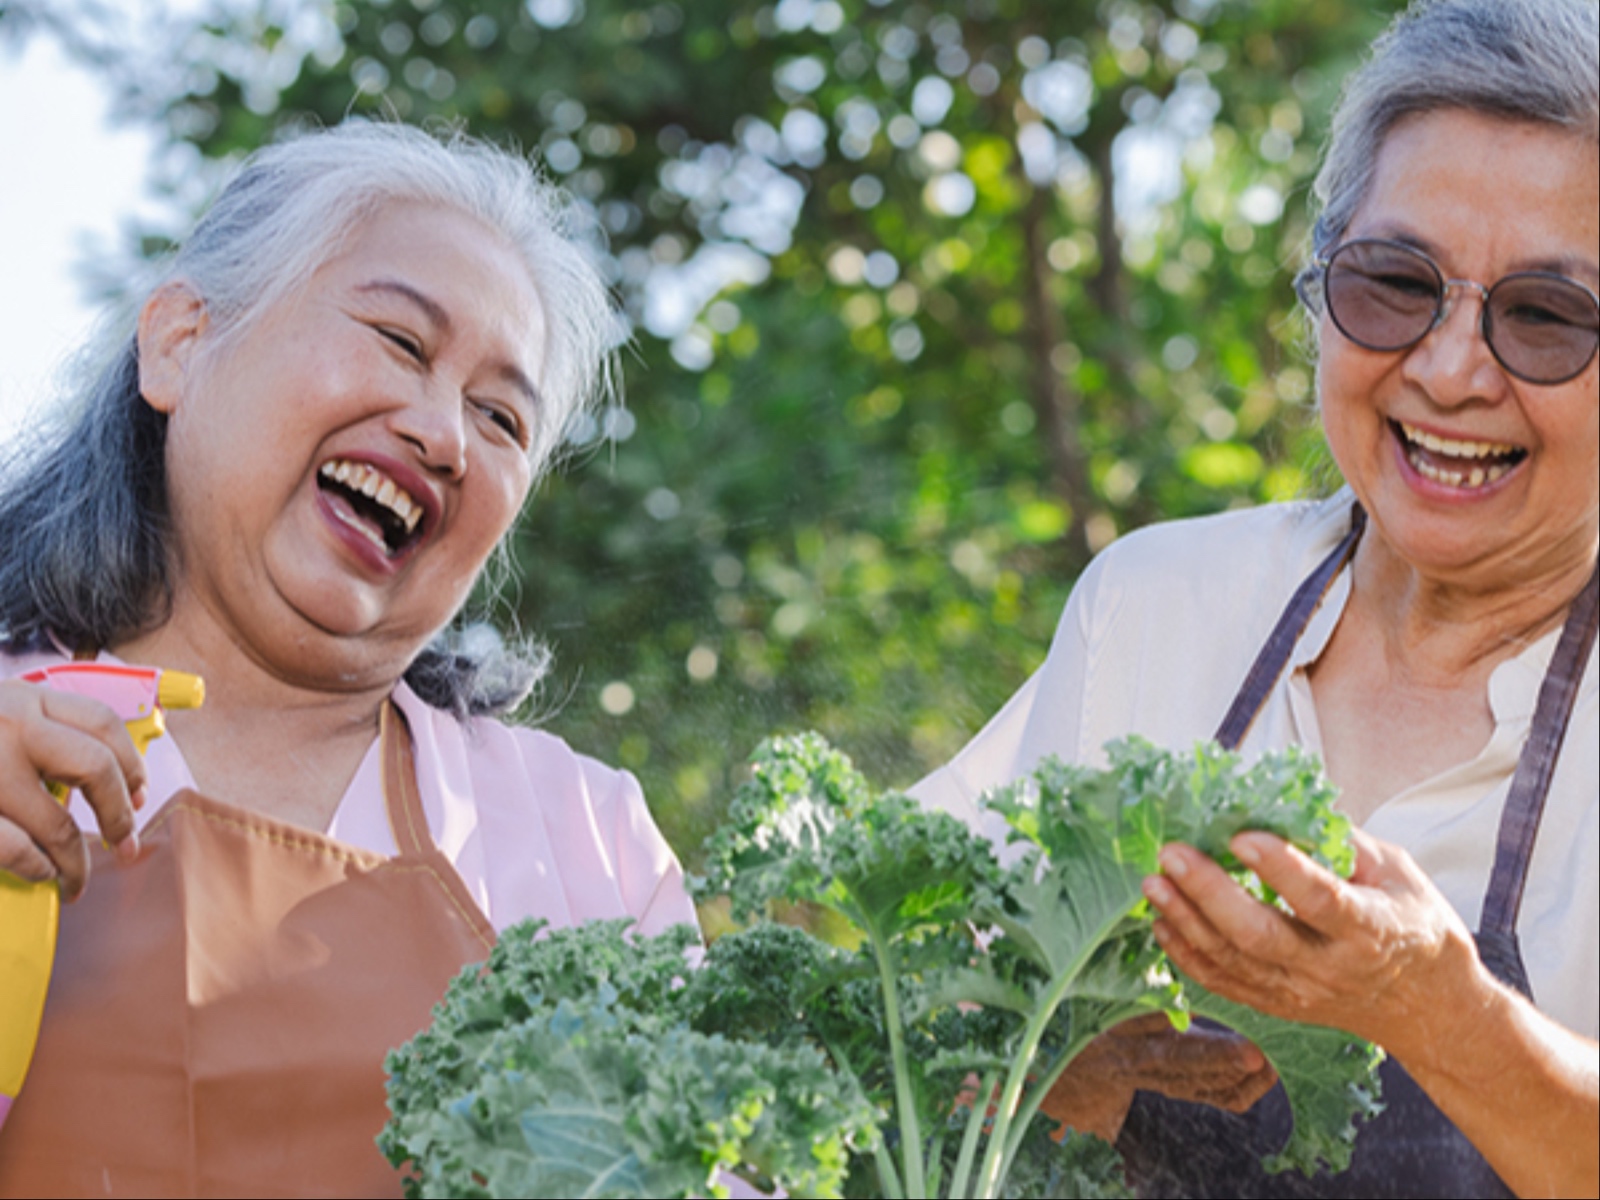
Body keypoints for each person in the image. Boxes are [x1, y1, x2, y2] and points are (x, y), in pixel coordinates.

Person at [911, 1, 1598, 1196]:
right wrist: (1029, 1060)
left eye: (1544, 317)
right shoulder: (1159, 608)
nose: (1448, 371)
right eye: (1394, 284)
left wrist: (1441, 1016)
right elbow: (907, 1008)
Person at [0, 121, 696, 1196]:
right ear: (181, 341)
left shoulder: (587, 839)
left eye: (501, 418)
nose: (445, 435)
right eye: (402, 342)